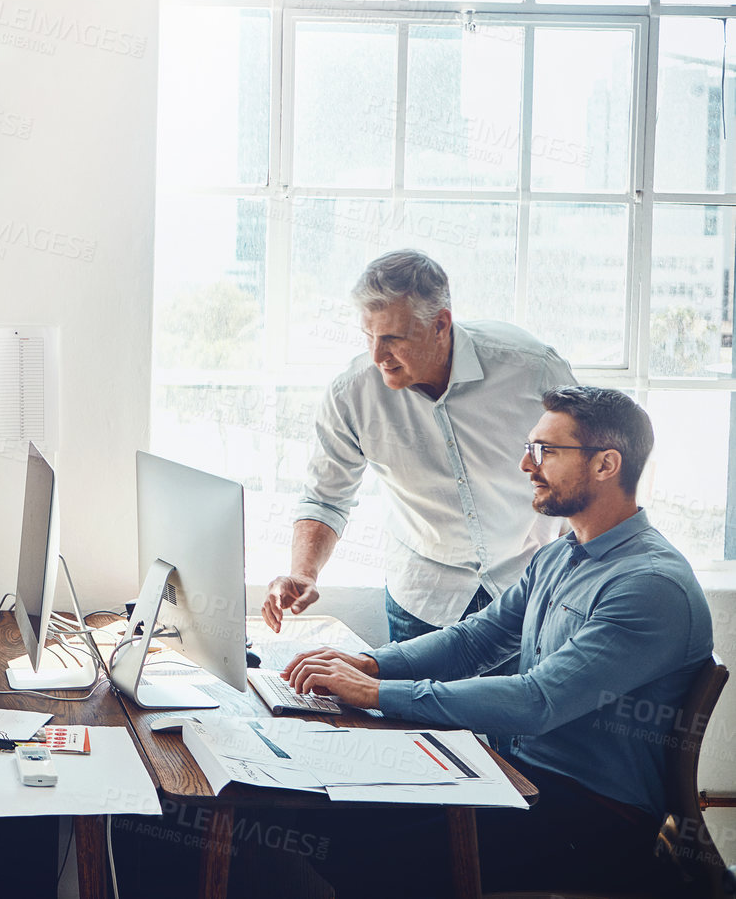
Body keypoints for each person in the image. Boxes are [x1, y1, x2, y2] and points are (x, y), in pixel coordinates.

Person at [281, 387, 713, 897]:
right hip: (519, 777)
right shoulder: (559, 555)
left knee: (362, 848)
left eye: (546, 451)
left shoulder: (650, 585)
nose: (527, 465)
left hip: (591, 819)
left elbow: (536, 701)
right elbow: (474, 640)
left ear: (606, 465)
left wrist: (375, 695)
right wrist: (368, 665)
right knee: (334, 815)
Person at [263, 249, 577, 646]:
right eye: (369, 337)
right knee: (409, 710)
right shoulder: (352, 394)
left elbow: (584, 465)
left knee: (520, 705)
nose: (377, 356)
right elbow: (325, 500)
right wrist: (303, 573)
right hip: (423, 597)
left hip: (527, 587)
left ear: (440, 325)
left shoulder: (533, 368)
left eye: (393, 339)